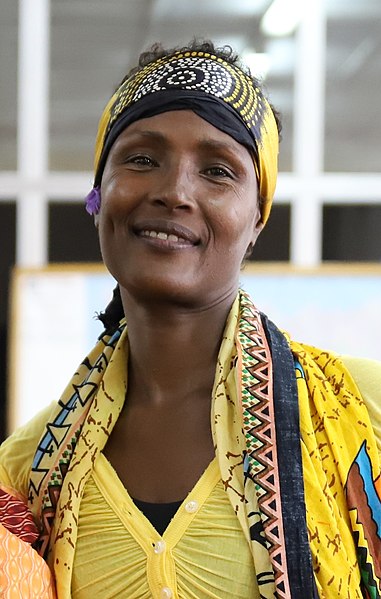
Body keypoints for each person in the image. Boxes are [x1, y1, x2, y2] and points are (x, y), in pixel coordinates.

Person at [0, 39, 380, 599]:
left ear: (257, 218)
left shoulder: (358, 417)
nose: (175, 191)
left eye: (218, 171)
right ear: (99, 194)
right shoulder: (26, 471)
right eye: (142, 159)